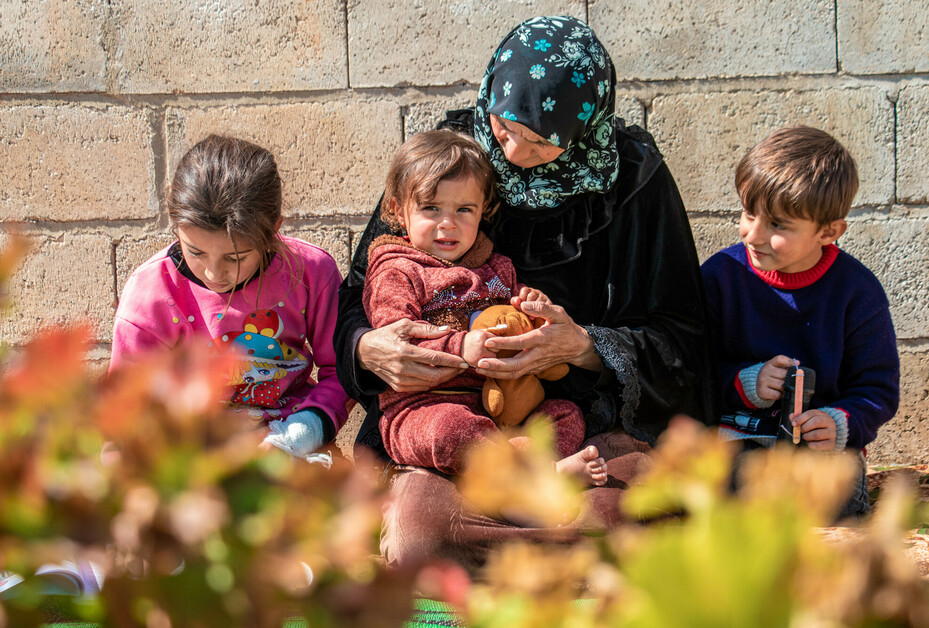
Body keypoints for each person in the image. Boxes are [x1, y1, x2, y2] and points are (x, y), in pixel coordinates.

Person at [334, 16, 713, 567]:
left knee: (638, 512)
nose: (511, 152)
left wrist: (583, 347)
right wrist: (370, 349)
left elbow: (683, 334)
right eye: (505, 127)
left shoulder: (634, 179)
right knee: (422, 532)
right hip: (453, 415)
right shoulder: (451, 159)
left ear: (583, 131)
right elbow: (360, 291)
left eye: (540, 142)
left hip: (575, 418)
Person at [363, 129, 608, 485]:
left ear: (485, 211)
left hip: (506, 407)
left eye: (464, 209)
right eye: (431, 208)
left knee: (566, 415)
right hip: (427, 405)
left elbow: (517, 310)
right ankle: (537, 480)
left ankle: (518, 474)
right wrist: (461, 348)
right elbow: (396, 342)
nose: (448, 223)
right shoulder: (397, 270)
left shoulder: (496, 266)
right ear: (399, 210)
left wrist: (535, 306)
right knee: (451, 431)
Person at [111, 135, 349, 465]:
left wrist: (297, 436)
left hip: (292, 439)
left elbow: (342, 370)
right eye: (194, 251)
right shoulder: (151, 293)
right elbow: (126, 407)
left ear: (273, 231)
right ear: (175, 223)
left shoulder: (310, 272)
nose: (213, 273)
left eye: (235, 258)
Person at [700, 126, 899, 514]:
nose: (752, 235)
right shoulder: (720, 277)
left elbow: (878, 389)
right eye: (748, 214)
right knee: (732, 491)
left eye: (777, 225)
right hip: (738, 440)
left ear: (829, 231)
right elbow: (687, 369)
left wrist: (841, 422)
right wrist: (743, 382)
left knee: (833, 502)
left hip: (819, 457)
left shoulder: (857, 292)